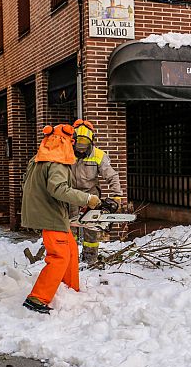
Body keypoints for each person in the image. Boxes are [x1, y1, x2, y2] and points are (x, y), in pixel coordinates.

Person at [21, 124, 101, 314]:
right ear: (65, 141)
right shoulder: (56, 161)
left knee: (71, 249)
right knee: (59, 256)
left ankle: (68, 289)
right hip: (51, 216)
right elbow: (58, 189)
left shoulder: (38, 158)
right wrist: (87, 199)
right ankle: (37, 298)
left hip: (48, 212)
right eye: (72, 141)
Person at [71, 119, 123, 263]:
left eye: (84, 146)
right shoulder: (66, 153)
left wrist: (117, 195)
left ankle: (90, 259)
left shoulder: (99, 155)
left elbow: (111, 174)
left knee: (91, 231)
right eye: (78, 146)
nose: (81, 150)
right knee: (69, 231)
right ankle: (70, 258)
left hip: (91, 197)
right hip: (70, 196)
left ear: (91, 142)